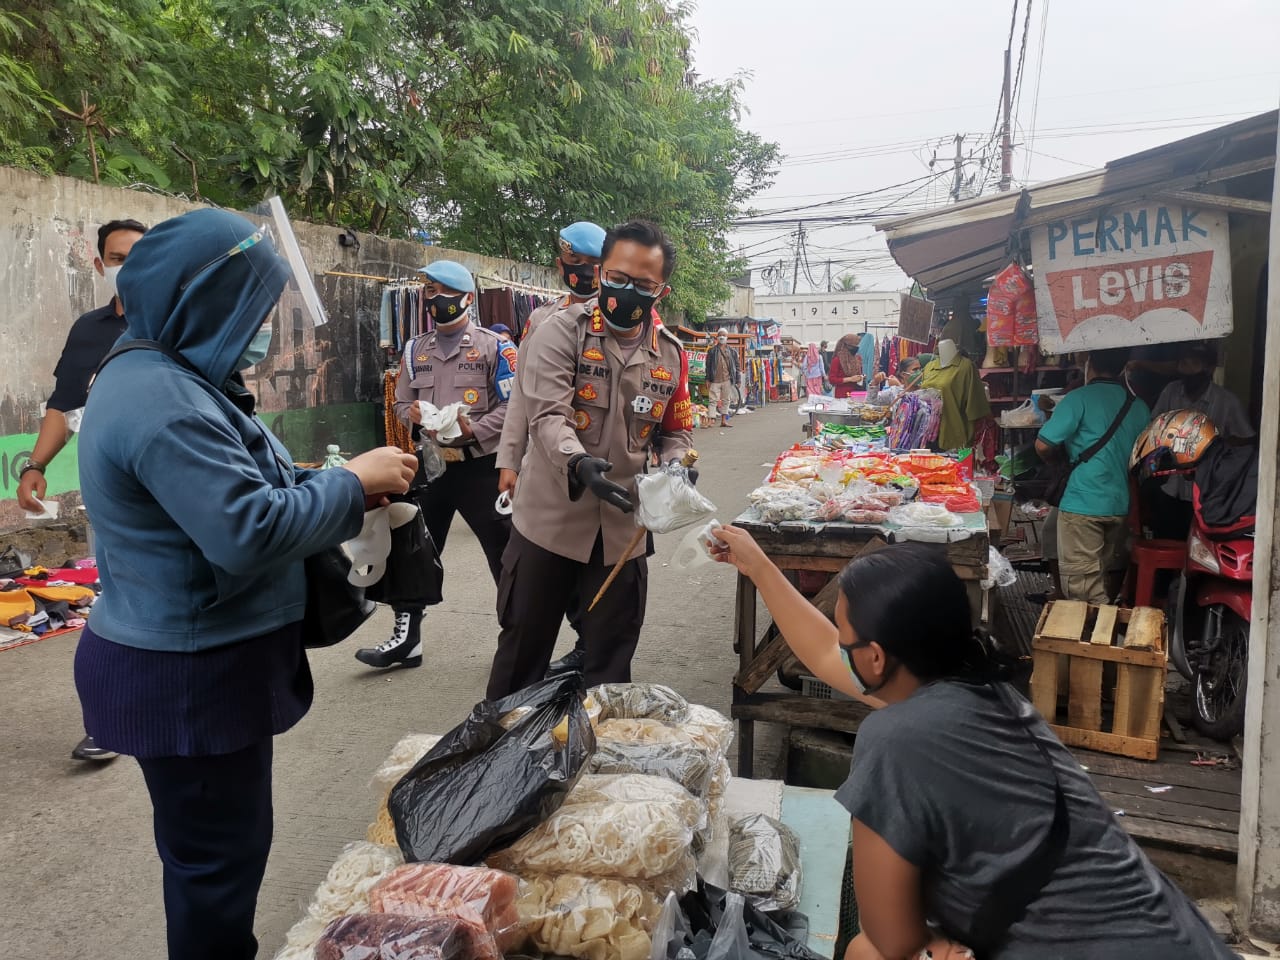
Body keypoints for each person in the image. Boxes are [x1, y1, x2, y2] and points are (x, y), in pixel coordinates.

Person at [74, 208, 418, 960]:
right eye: (250, 309)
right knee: (215, 873)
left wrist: (332, 483)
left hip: (199, 665)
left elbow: (243, 483)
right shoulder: (162, 401)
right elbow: (247, 530)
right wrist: (350, 484)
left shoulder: (174, 377)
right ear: (200, 302)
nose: (260, 328)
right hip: (187, 680)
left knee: (219, 858)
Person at [710, 527, 1238, 960]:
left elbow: (893, 939)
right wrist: (758, 565)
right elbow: (831, 651)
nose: (840, 643)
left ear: (876, 658)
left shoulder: (895, 739)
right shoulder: (990, 695)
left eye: (846, 633)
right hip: (1179, 937)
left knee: (865, 952)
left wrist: (940, 940)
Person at [486, 219, 694, 699]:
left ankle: (598, 743)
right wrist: (577, 463)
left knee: (610, 664)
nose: (627, 291)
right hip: (550, 520)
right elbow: (546, 415)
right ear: (602, 273)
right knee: (522, 655)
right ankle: (502, 740)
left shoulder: (671, 354)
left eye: (643, 285)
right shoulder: (558, 332)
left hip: (623, 530)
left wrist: (677, 465)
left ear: (661, 291)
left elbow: (675, 431)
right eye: (618, 277)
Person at [16, 217, 147, 763]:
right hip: (112, 489)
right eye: (117, 259)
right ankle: (111, 721)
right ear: (99, 265)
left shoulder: (177, 320)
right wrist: (36, 465)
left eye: (140, 256)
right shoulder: (89, 330)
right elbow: (64, 403)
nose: (128, 268)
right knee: (116, 602)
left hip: (173, 485)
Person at [355, 260, 515, 669]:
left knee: (506, 556)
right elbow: (401, 401)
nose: (436, 298)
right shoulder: (415, 349)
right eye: (430, 290)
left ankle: (518, 640)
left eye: (445, 291)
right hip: (431, 466)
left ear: (467, 297)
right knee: (413, 550)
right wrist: (413, 414)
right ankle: (407, 639)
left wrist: (474, 430)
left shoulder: (496, 348)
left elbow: (514, 407)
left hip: (483, 467)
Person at [496, 220, 607, 678]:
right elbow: (522, 397)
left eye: (593, 264)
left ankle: (588, 651)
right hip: (546, 472)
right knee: (528, 586)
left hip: (601, 471)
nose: (582, 272)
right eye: (574, 263)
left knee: (598, 583)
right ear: (561, 265)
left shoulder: (623, 321)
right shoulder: (541, 320)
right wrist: (509, 459)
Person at [1035, 348, 1150, 605]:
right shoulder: (1139, 407)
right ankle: (1100, 623)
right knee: (1099, 575)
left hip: (1082, 503)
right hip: (1118, 503)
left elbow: (1043, 445)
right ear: (1122, 367)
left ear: (1090, 363)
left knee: (1084, 590)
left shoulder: (1079, 399)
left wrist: (1060, 461)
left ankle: (1098, 628)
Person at [1146, 341, 1255, 540]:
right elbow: (1154, 427)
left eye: (1194, 363)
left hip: (1209, 491)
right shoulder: (1171, 392)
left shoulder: (1227, 401)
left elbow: (1246, 441)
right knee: (1166, 537)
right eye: (1184, 363)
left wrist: (1217, 448)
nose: (1188, 369)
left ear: (1209, 369)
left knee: (1200, 544)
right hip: (1171, 485)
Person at [706, 329, 739, 427]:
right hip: (714, 380)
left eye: (724, 335)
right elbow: (708, 366)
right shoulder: (712, 351)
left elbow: (737, 366)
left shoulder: (732, 351)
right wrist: (707, 379)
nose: (722, 337)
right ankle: (711, 420)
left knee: (726, 400)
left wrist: (738, 379)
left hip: (727, 379)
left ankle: (723, 421)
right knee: (712, 400)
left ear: (727, 337)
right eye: (720, 335)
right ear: (717, 337)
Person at [828, 333, 865, 398]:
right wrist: (850, 379)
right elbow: (832, 379)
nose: (856, 347)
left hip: (856, 394)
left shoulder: (858, 358)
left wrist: (861, 377)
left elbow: (860, 373)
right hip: (842, 395)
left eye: (857, 345)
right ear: (846, 346)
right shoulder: (837, 360)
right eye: (854, 345)